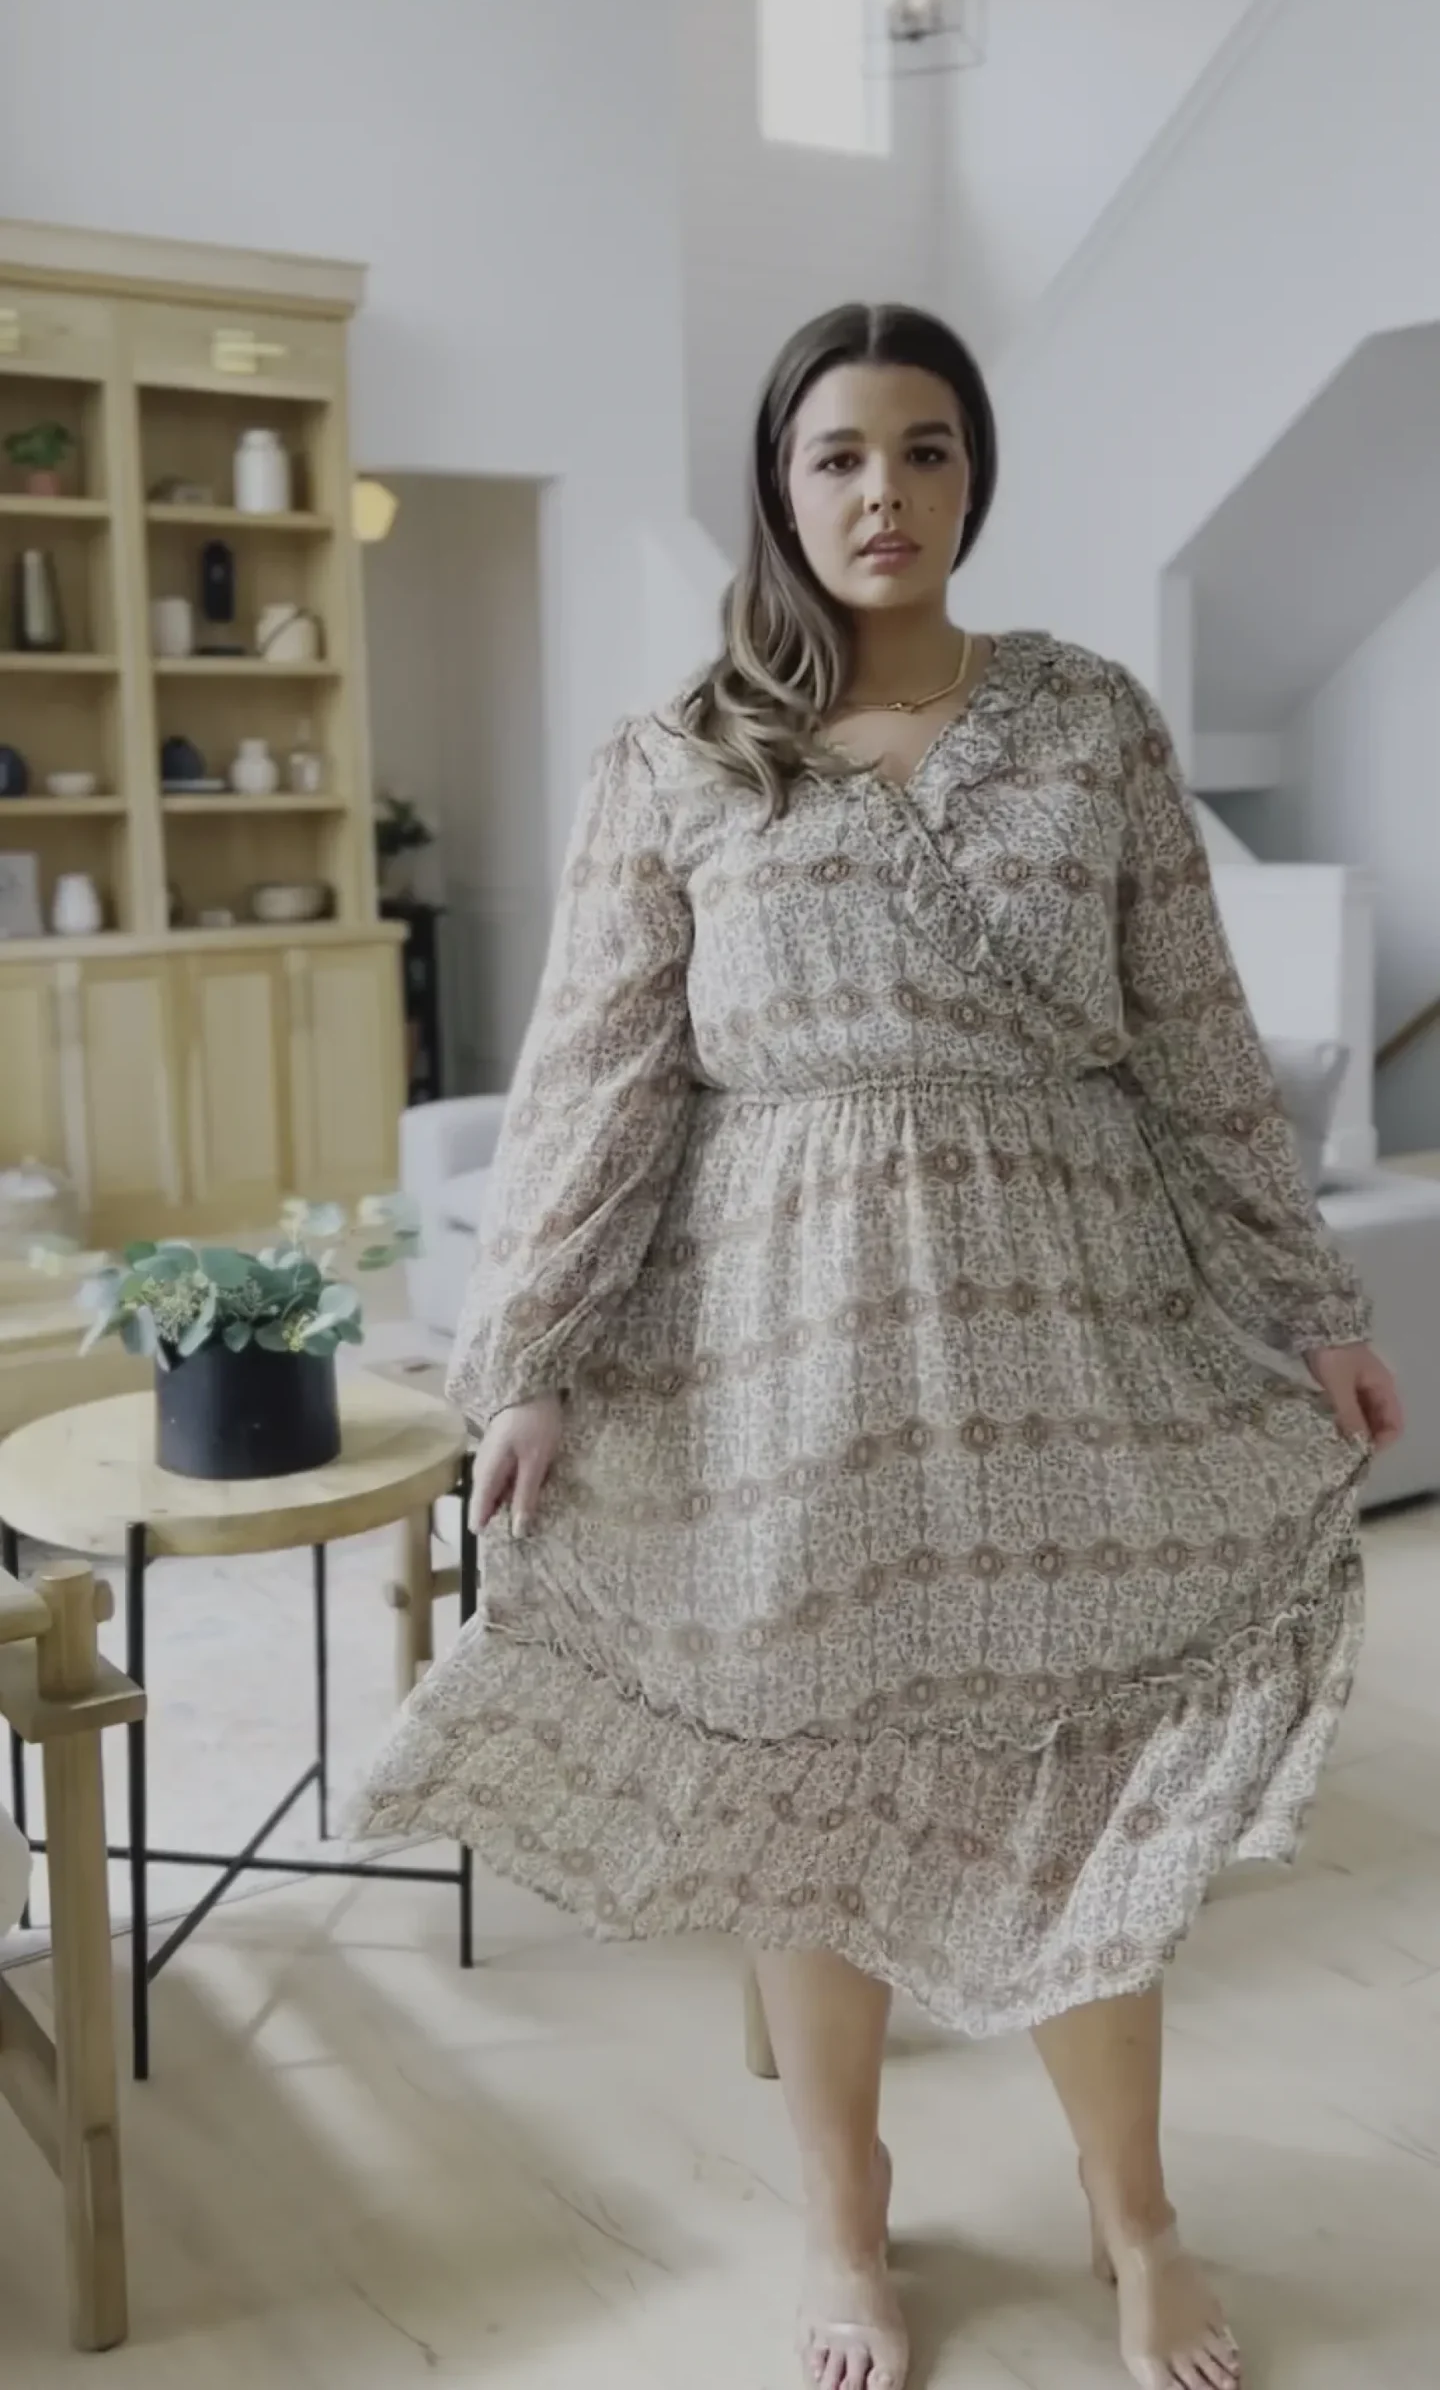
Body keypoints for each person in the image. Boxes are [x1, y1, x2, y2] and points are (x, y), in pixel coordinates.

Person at [355, 303, 1403, 2390]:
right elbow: (599, 1075)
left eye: (925, 450)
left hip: (1070, 1322)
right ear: (780, 483)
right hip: (786, 1335)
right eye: (838, 454)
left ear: (972, 474)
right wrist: (532, 1351)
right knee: (811, 1780)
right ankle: (846, 2217)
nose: (883, 493)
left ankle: (1136, 2217)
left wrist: (1311, 1303)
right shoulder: (681, 754)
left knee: (1082, 1773)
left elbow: (1199, 1041)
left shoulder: (1088, 720)